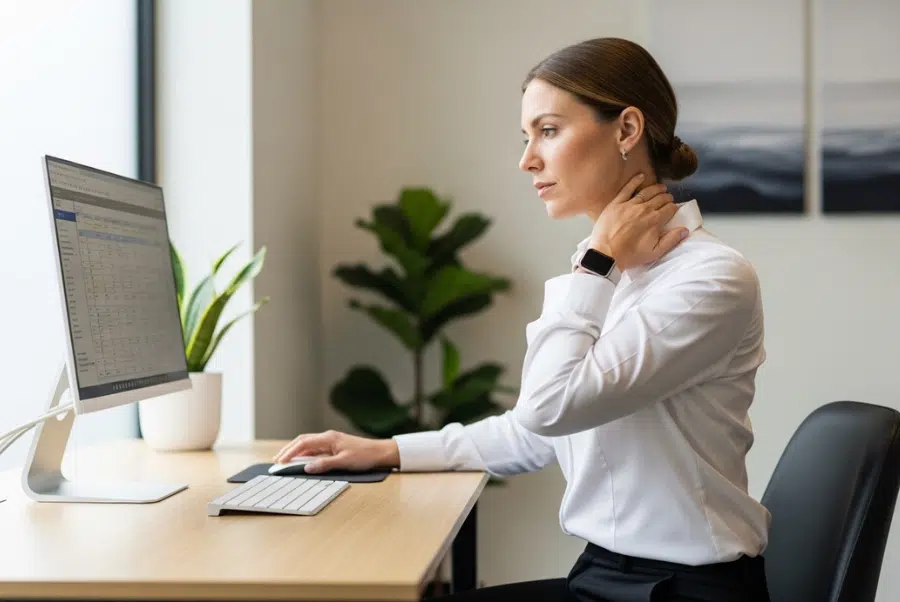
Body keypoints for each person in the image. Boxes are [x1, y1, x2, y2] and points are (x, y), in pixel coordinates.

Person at [275, 37, 772, 602]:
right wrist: (388, 449)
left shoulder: (709, 280)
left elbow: (550, 405)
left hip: (683, 590)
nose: (527, 158)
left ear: (627, 130)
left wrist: (597, 265)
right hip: (605, 576)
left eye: (549, 130)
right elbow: (534, 431)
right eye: (527, 136)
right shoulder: (610, 272)